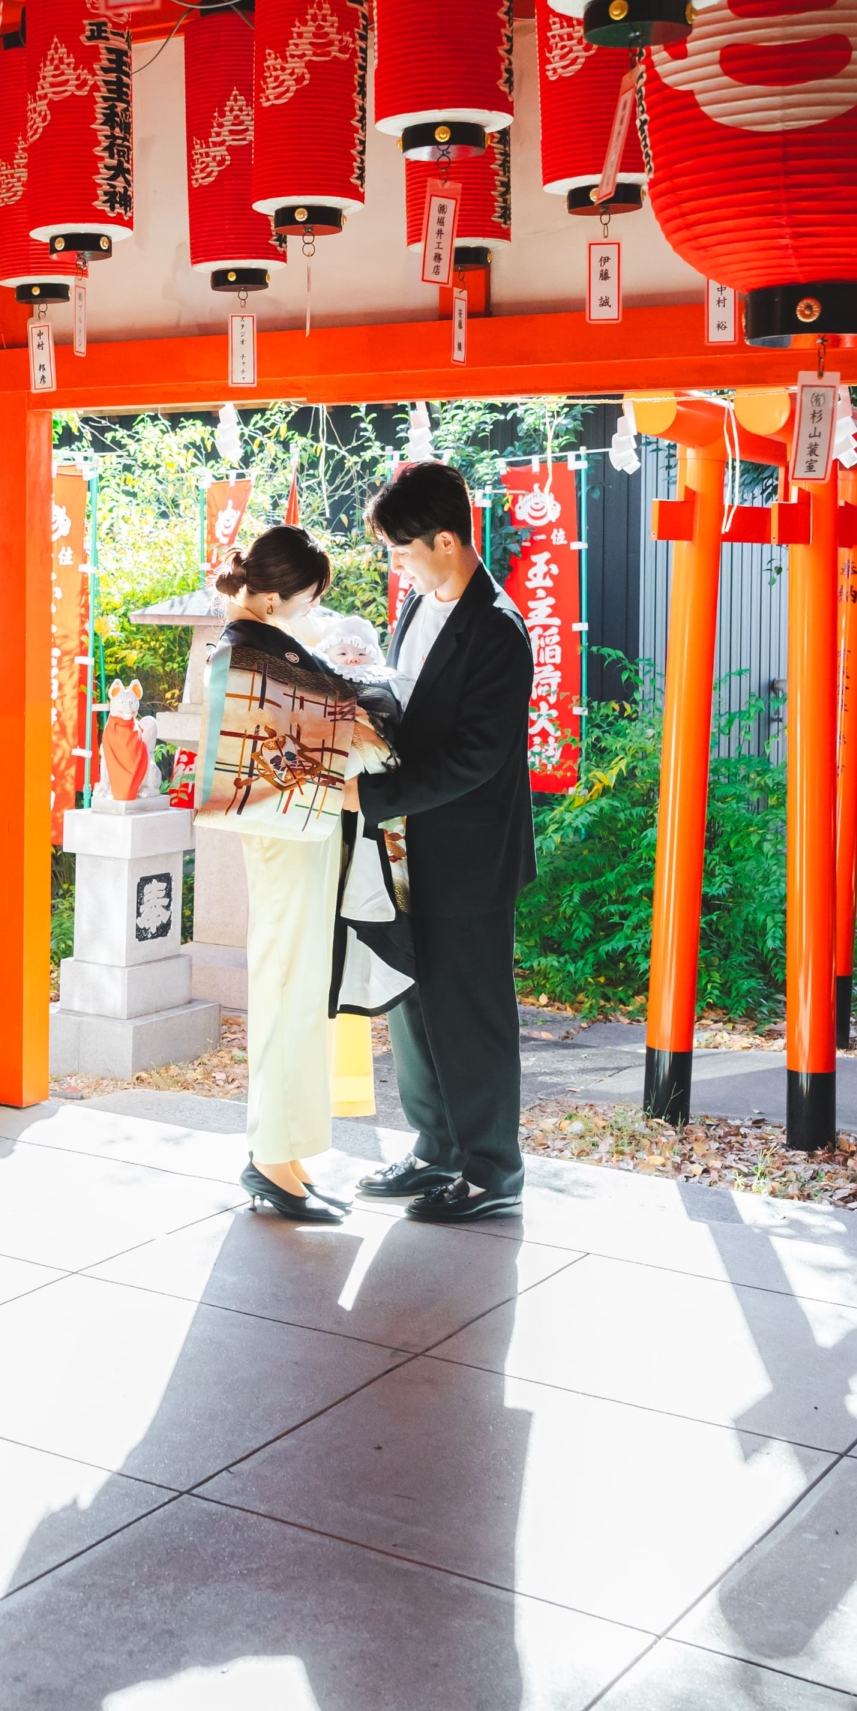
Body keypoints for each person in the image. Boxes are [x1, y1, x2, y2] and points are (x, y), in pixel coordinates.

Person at [344, 460, 535, 1225]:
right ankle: (435, 1150)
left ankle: (493, 1171)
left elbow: (476, 756)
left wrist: (374, 793)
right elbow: (415, 703)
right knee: (412, 997)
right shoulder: (423, 605)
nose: (397, 564)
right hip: (407, 844)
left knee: (470, 1007)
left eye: (402, 549)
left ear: (448, 539)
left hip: (468, 851)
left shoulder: (498, 629)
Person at [213, 524, 391, 1224]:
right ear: (280, 591)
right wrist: (356, 731)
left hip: (298, 832)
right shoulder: (249, 648)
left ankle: (285, 1154)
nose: (312, 609)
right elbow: (284, 746)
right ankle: (270, 1159)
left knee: (296, 985)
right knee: (287, 985)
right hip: (287, 835)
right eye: (310, 596)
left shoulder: (261, 641)